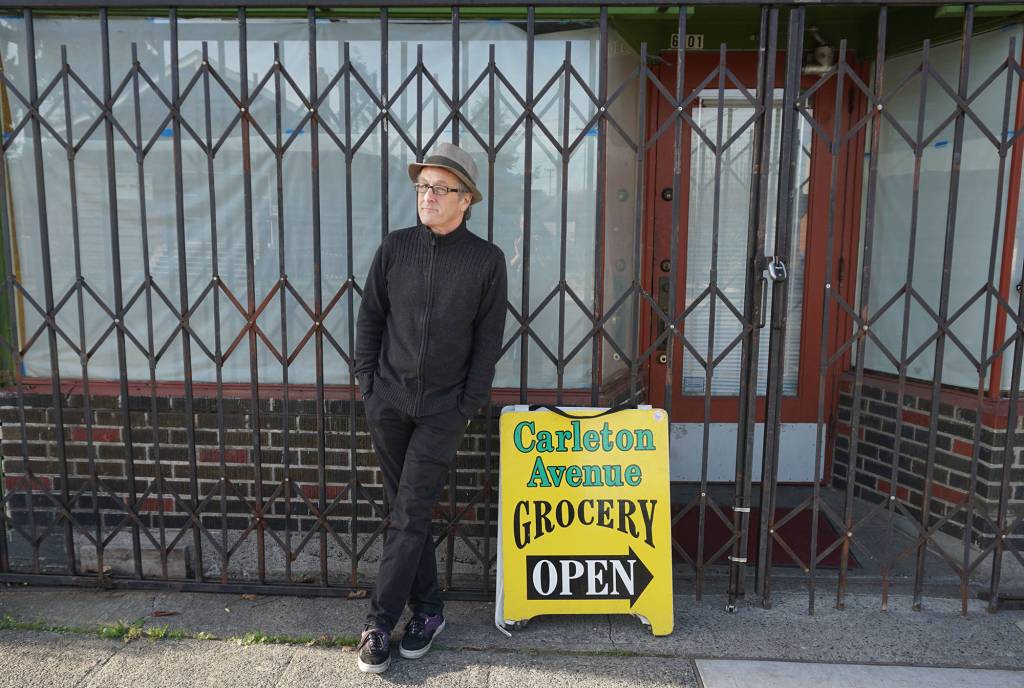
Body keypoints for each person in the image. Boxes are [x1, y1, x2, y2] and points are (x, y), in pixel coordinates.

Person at [353, 143, 508, 673]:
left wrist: (467, 404)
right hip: (388, 401)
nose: (428, 196)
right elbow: (371, 318)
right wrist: (368, 385)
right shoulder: (395, 248)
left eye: (441, 188)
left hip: (444, 410)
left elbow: (488, 342)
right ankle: (430, 611)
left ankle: (378, 623)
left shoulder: (486, 261)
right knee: (408, 514)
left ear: (466, 200)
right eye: (423, 187)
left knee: (409, 511)